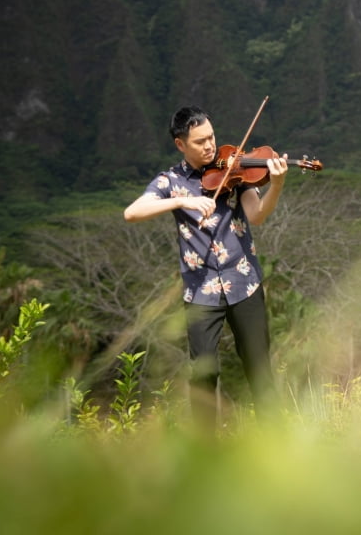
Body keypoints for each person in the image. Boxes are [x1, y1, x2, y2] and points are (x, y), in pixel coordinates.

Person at [124, 105, 289, 429]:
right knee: (204, 372)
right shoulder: (170, 181)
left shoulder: (235, 169)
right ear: (181, 144)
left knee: (259, 368)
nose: (210, 147)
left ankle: (276, 445)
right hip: (200, 290)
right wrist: (181, 201)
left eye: (211, 137)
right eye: (200, 142)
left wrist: (277, 186)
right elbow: (132, 212)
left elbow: (256, 215)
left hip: (243, 283)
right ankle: (205, 451)